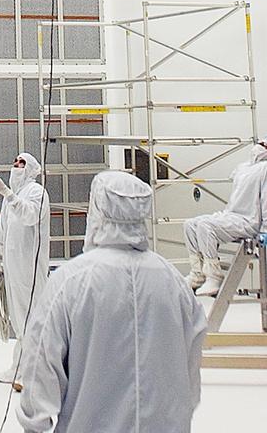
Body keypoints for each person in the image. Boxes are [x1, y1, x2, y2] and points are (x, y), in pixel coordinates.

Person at [19, 171, 207, 433]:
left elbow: (40, 364)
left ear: (96, 210)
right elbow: (190, 374)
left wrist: (33, 423)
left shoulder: (71, 281)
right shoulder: (174, 283)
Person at [0, 151, 50, 387]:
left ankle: (33, 371)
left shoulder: (37, 192)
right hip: (13, 266)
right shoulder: (10, 198)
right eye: (15, 161)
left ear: (31, 168)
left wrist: (8, 193)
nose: (16, 165)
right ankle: (19, 367)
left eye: (22, 162)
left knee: (30, 316)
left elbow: (29, 216)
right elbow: (3, 229)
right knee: (19, 317)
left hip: (30, 267)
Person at [184, 139, 267, 296]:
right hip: (231, 214)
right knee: (190, 224)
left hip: (249, 220)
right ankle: (197, 274)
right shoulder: (243, 167)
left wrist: (264, 231)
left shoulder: (264, 169)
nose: (259, 146)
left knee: (205, 226)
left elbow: (266, 201)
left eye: (263, 145)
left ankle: (214, 276)